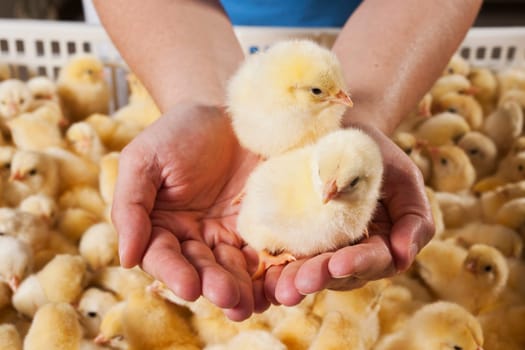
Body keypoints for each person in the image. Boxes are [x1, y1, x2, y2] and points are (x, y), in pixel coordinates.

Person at [92, 0, 482, 321]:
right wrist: (201, 100)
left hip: (385, 43)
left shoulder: (325, 103)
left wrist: (359, 120)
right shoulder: (272, 107)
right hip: (176, 31)